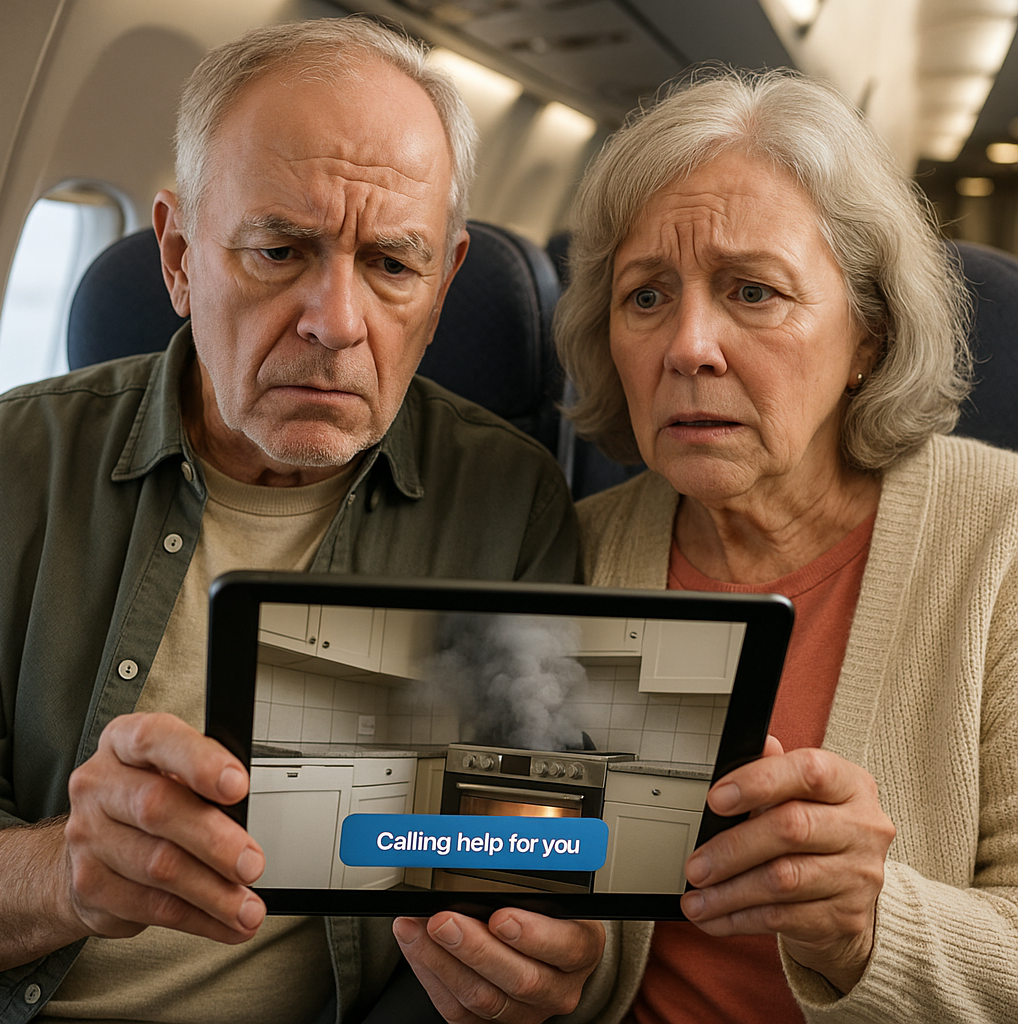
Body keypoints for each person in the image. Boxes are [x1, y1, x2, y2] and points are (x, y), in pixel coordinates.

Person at [0, 17, 601, 1024]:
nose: (336, 321)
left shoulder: (510, 503)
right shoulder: (13, 467)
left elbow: (528, 847)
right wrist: (66, 871)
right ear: (181, 256)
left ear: (444, 286)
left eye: (392, 266)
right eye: (280, 250)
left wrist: (536, 944)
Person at [397, 69, 1018, 1023]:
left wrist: (872, 927)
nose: (689, 345)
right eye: (646, 297)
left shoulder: (1002, 541)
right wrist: (527, 967)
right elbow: (558, 894)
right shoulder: (573, 556)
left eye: (753, 291)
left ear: (870, 335)